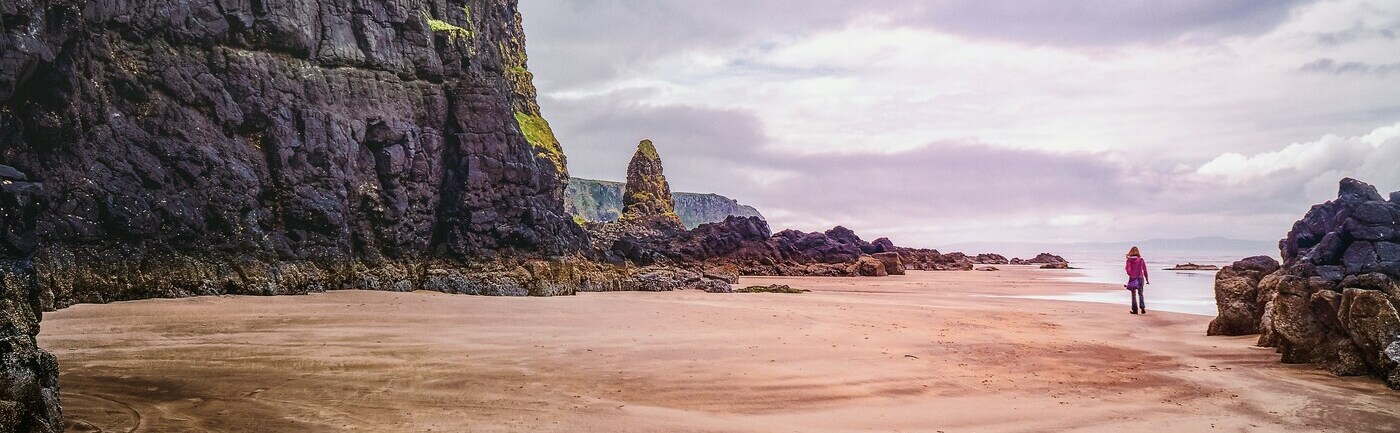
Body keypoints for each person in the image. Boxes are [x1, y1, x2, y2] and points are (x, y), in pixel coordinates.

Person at [1125, 246, 1149, 314]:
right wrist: (1147, 278)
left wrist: (1131, 275)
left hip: (1133, 278)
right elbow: (1144, 269)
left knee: (1133, 294)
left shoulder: (1129, 260)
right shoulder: (1141, 260)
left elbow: (1128, 269)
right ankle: (1142, 307)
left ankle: (1135, 310)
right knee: (1140, 293)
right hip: (1140, 278)